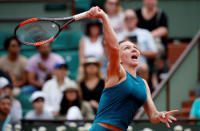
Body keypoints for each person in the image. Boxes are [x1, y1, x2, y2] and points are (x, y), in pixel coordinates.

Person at [86, 7, 178, 131]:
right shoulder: (117, 72)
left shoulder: (143, 83)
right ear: (119, 59)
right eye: (126, 48)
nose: (134, 49)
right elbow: (113, 47)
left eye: (134, 47)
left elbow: (152, 116)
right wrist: (104, 17)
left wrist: (160, 115)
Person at [123, 9, 158, 83]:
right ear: (124, 20)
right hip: (123, 65)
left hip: (140, 64)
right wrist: (123, 44)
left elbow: (154, 53)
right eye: (127, 18)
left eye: (132, 18)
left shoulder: (145, 33)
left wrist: (139, 50)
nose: (130, 20)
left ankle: (143, 92)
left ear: (136, 19)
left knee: (143, 67)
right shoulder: (119, 35)